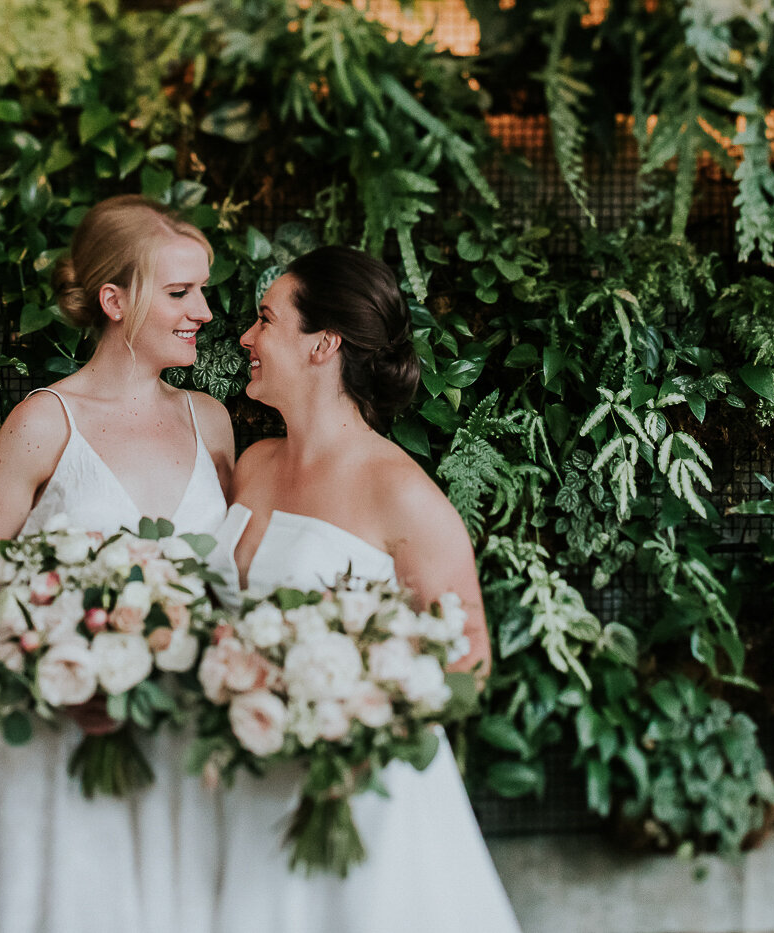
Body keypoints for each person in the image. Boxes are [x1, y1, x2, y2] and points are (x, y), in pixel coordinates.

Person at [0, 194, 235, 933]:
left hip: (180, 743)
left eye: (204, 290)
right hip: (59, 740)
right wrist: (49, 670)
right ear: (114, 299)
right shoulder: (44, 422)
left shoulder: (211, 421)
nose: (206, 312)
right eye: (181, 292)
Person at [206, 245, 522, 933]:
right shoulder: (253, 463)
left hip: (355, 794)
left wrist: (354, 717)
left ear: (323, 343)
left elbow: (468, 655)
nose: (246, 337)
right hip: (244, 778)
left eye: (265, 320)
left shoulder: (400, 491)